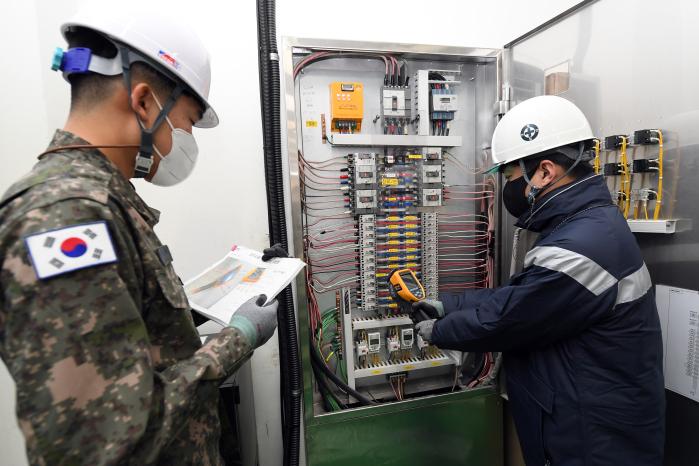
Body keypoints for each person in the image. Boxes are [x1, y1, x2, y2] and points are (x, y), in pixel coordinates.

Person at [0, 5, 283, 465]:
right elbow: (103, 441)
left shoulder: (100, 201)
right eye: (188, 122)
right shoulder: (65, 218)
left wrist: (187, 314)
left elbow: (122, 350)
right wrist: (239, 339)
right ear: (145, 101)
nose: (183, 140)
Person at [412, 96, 665, 465]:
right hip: (582, 419)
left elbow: (510, 319)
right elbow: (522, 295)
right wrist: (448, 305)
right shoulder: (581, 225)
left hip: (595, 439)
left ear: (544, 172)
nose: (508, 186)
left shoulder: (582, 244)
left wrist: (439, 331)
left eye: (511, 175)